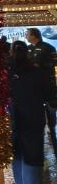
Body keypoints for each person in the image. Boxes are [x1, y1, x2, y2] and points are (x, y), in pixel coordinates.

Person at [9, 41, 49, 184]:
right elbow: (48, 93)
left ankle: (20, 183)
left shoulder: (7, 73)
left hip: (13, 116)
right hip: (33, 115)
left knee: (16, 149)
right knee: (33, 149)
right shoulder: (37, 72)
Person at [26, 27, 57, 159]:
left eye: (27, 34)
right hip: (33, 89)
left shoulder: (48, 48)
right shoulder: (27, 49)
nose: (26, 36)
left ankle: (54, 141)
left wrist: (42, 66)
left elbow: (54, 62)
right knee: (35, 120)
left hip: (48, 87)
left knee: (51, 118)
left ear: (34, 36)